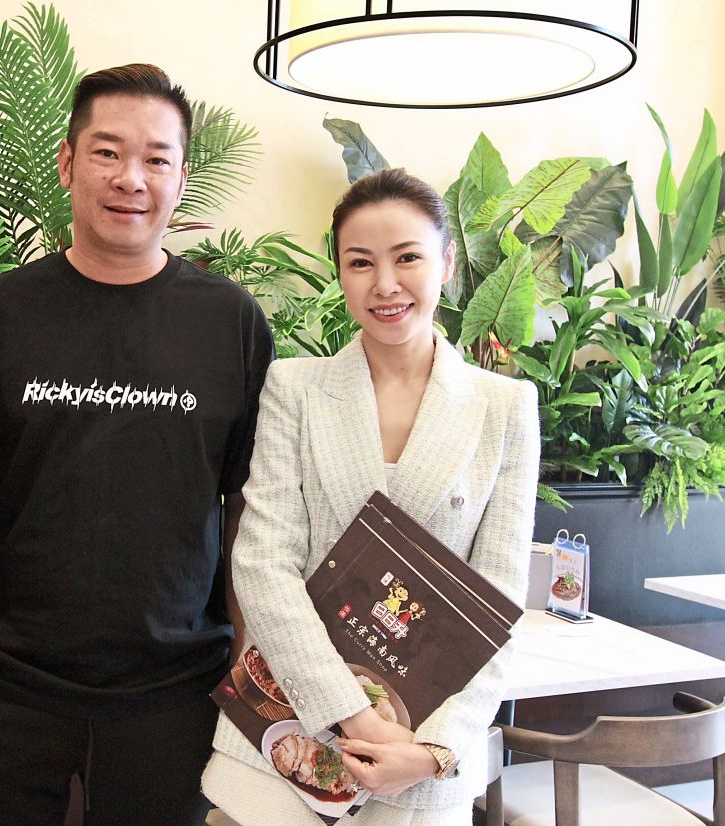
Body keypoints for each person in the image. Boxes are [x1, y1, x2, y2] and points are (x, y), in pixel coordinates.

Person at [0, 63, 273, 825]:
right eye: (108, 152)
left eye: (156, 158)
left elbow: (248, 506)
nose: (131, 179)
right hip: (1, 685)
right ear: (68, 162)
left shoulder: (232, 324)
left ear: (181, 176)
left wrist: (245, 662)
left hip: (174, 692)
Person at [202, 168, 540, 826]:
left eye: (407, 257)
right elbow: (263, 563)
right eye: (360, 263)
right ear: (340, 273)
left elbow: (498, 602)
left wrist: (435, 748)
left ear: (445, 262)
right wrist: (353, 713)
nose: (384, 285)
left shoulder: (504, 407)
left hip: (416, 763)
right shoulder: (295, 388)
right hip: (287, 736)